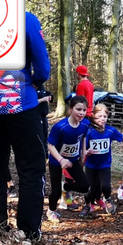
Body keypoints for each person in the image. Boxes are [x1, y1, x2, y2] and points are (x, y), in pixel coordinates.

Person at [0, 0, 51, 241]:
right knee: (31, 167)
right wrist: (34, 80)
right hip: (22, 105)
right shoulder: (27, 20)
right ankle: (28, 231)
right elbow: (43, 66)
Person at [81, 103, 123, 216]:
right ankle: (87, 205)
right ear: (93, 116)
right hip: (91, 165)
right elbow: (82, 146)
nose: (102, 119)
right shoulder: (89, 131)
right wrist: (85, 152)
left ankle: (108, 199)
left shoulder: (110, 131)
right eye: (99, 116)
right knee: (89, 188)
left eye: (104, 116)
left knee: (105, 186)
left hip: (104, 165)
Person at [46, 95, 91, 223]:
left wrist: (83, 153)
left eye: (84, 110)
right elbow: (50, 145)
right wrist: (61, 160)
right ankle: (51, 210)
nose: (81, 113)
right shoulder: (60, 127)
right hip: (57, 161)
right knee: (55, 193)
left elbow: (83, 137)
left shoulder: (85, 124)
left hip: (73, 160)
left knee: (84, 186)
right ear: (71, 109)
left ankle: (66, 187)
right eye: (78, 109)